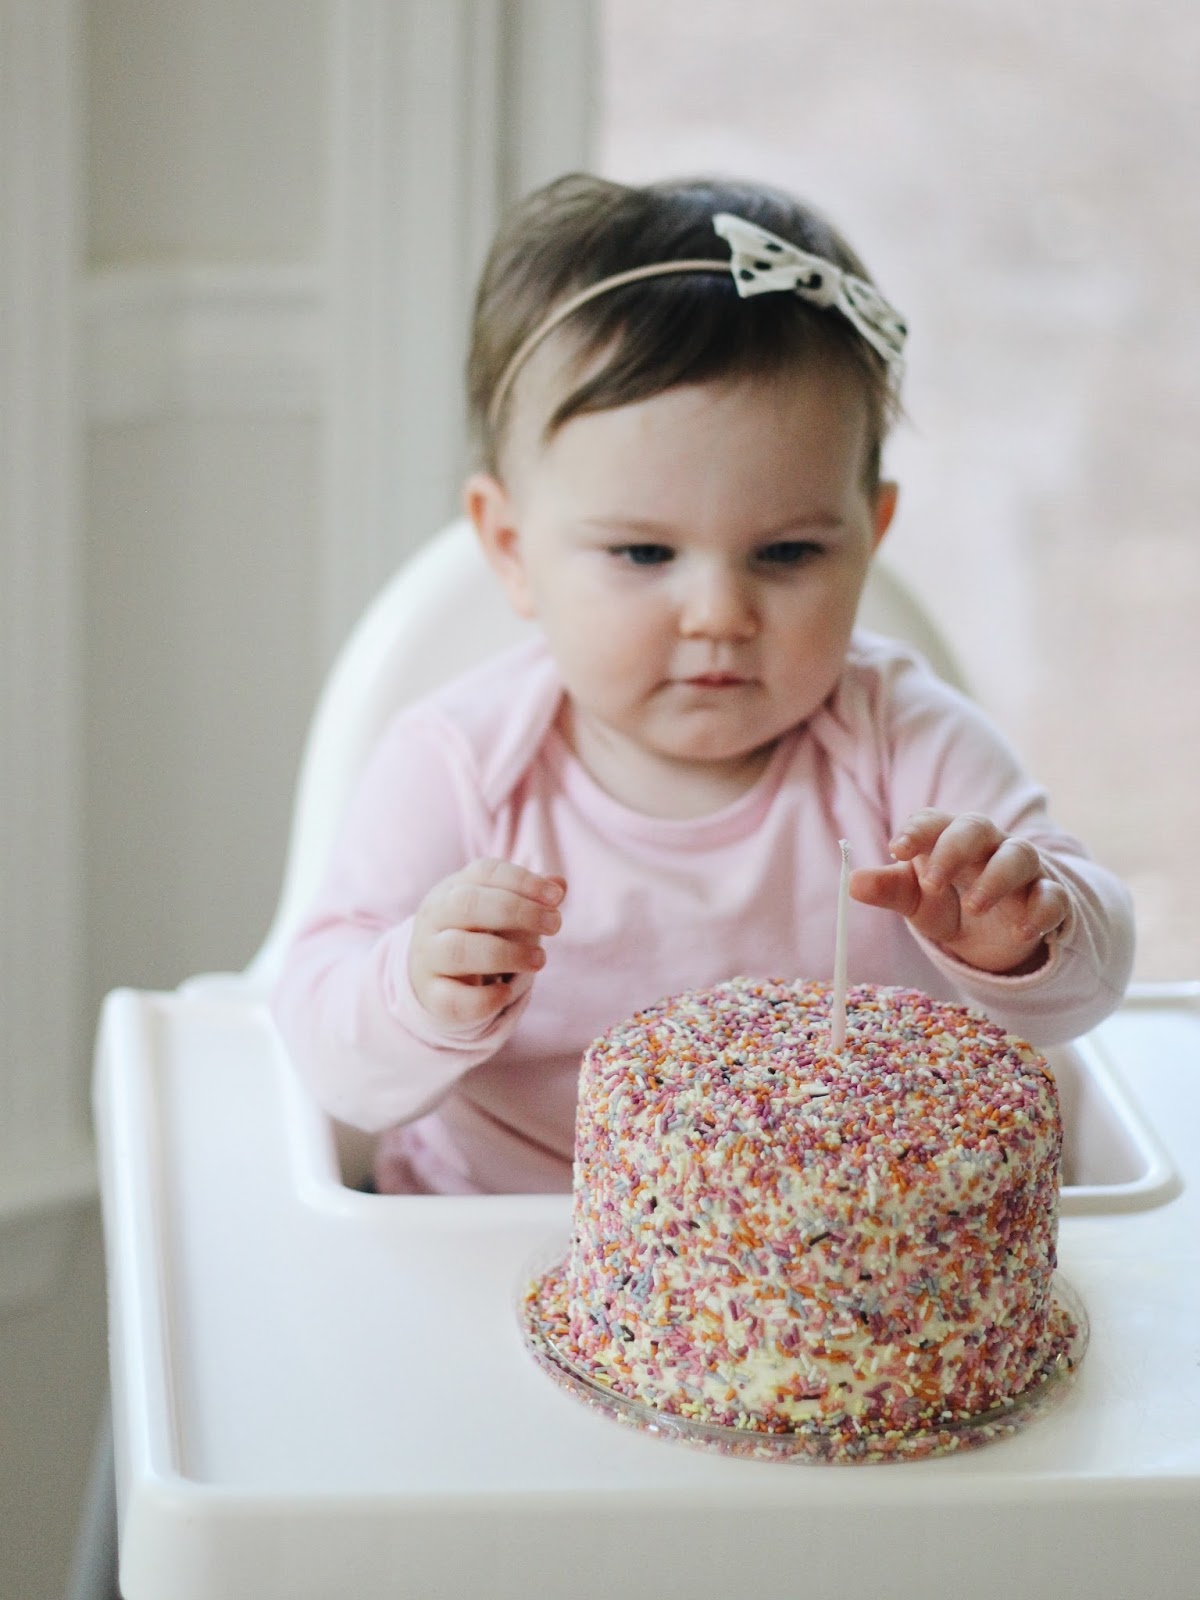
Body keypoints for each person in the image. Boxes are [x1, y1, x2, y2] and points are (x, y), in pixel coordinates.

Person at [273, 172, 1135, 1195]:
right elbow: (322, 1048)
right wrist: (417, 989)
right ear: (509, 546)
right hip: (504, 1230)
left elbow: (1089, 992)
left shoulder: (906, 743)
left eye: (787, 553)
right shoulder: (460, 765)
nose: (720, 612)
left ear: (870, 537)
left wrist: (1024, 938)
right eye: (644, 553)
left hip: (845, 1250)